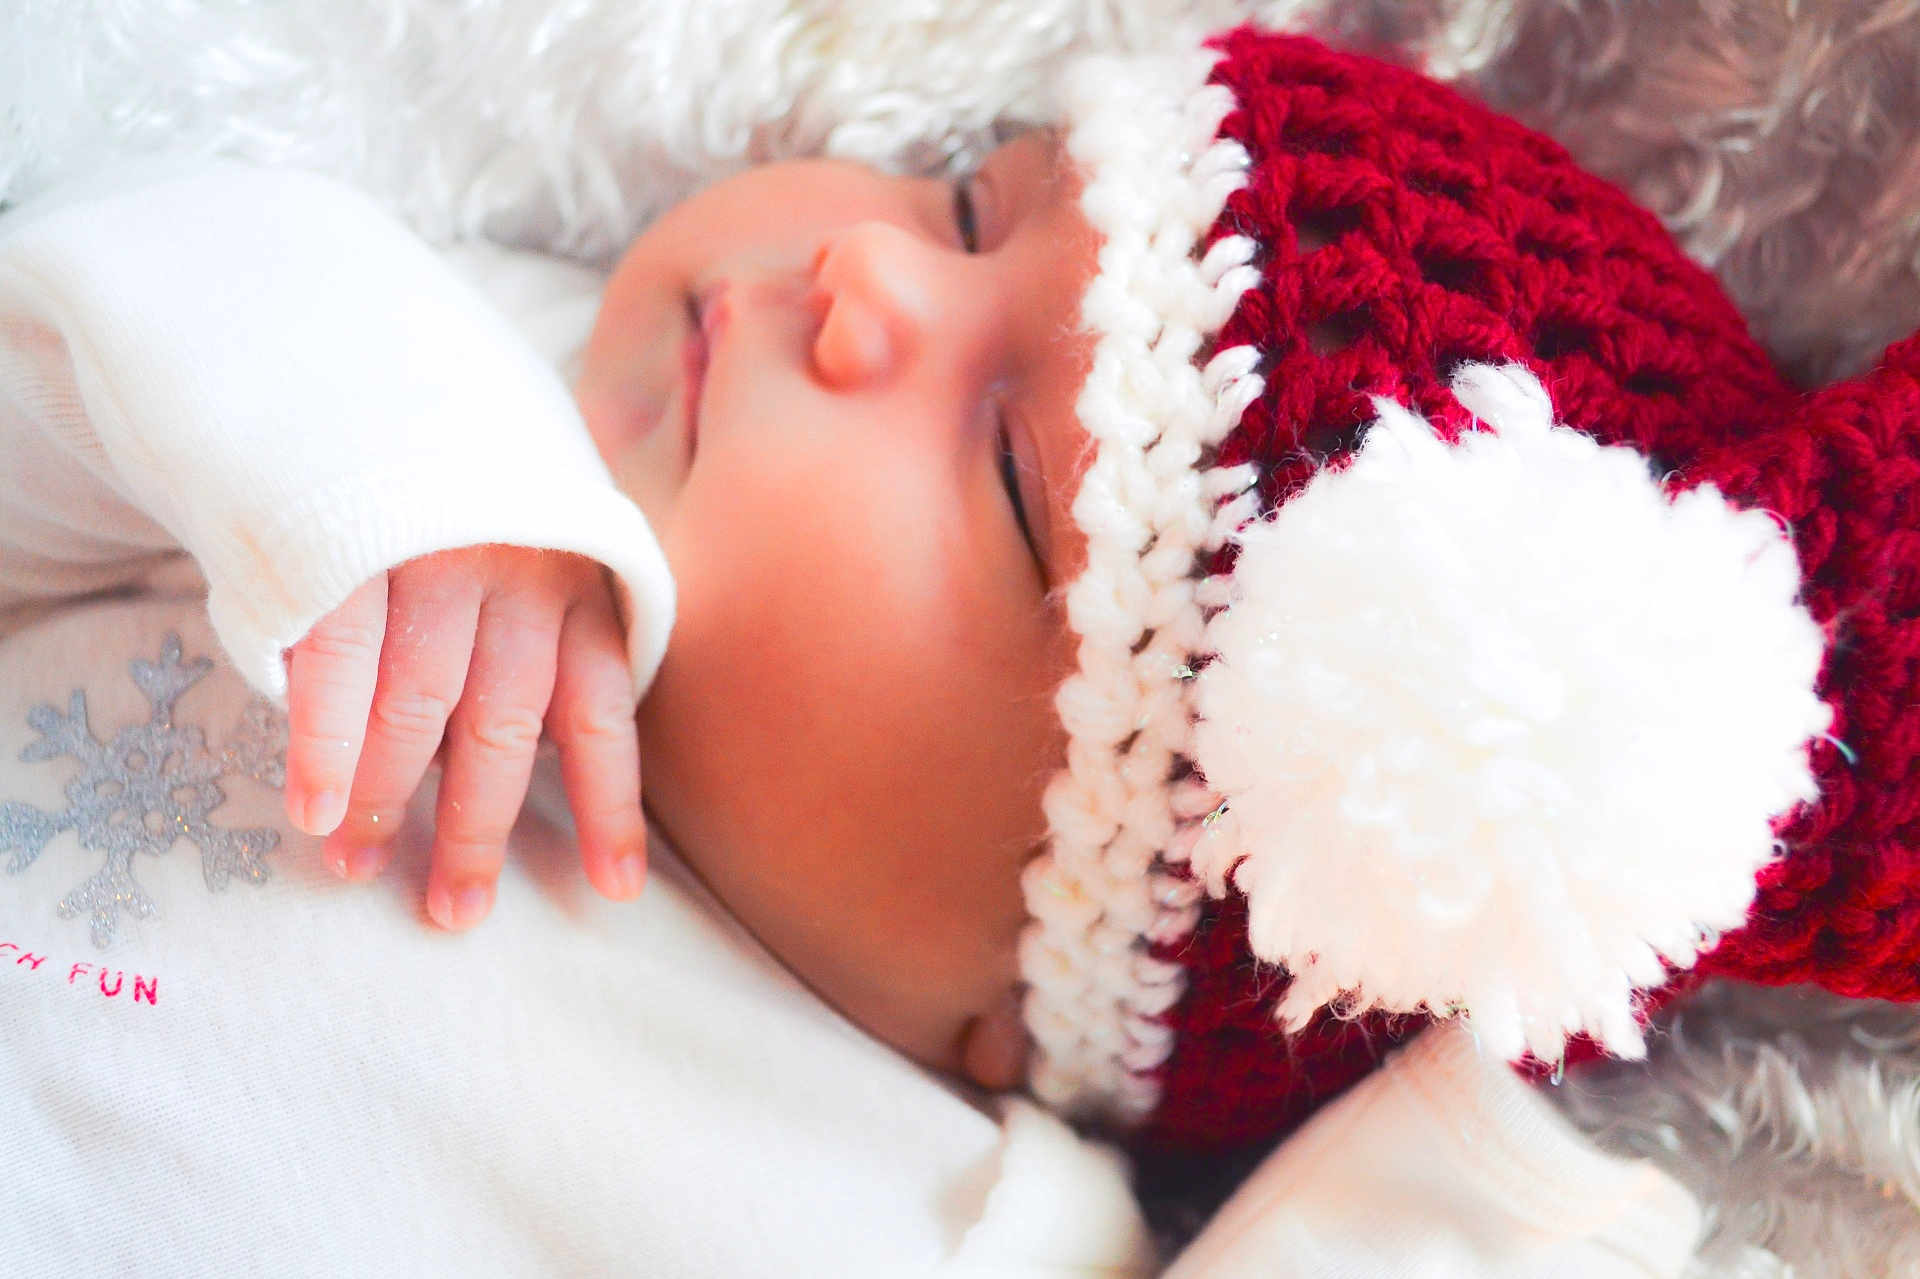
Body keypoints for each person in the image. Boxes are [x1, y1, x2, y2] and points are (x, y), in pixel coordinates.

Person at [11, 18, 1919, 1275]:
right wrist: (385, 465)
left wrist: (1484, 1206)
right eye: (965, 204)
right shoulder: (448, 375)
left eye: (1009, 472)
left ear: (1039, 990)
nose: (865, 280)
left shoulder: (962, 1212)